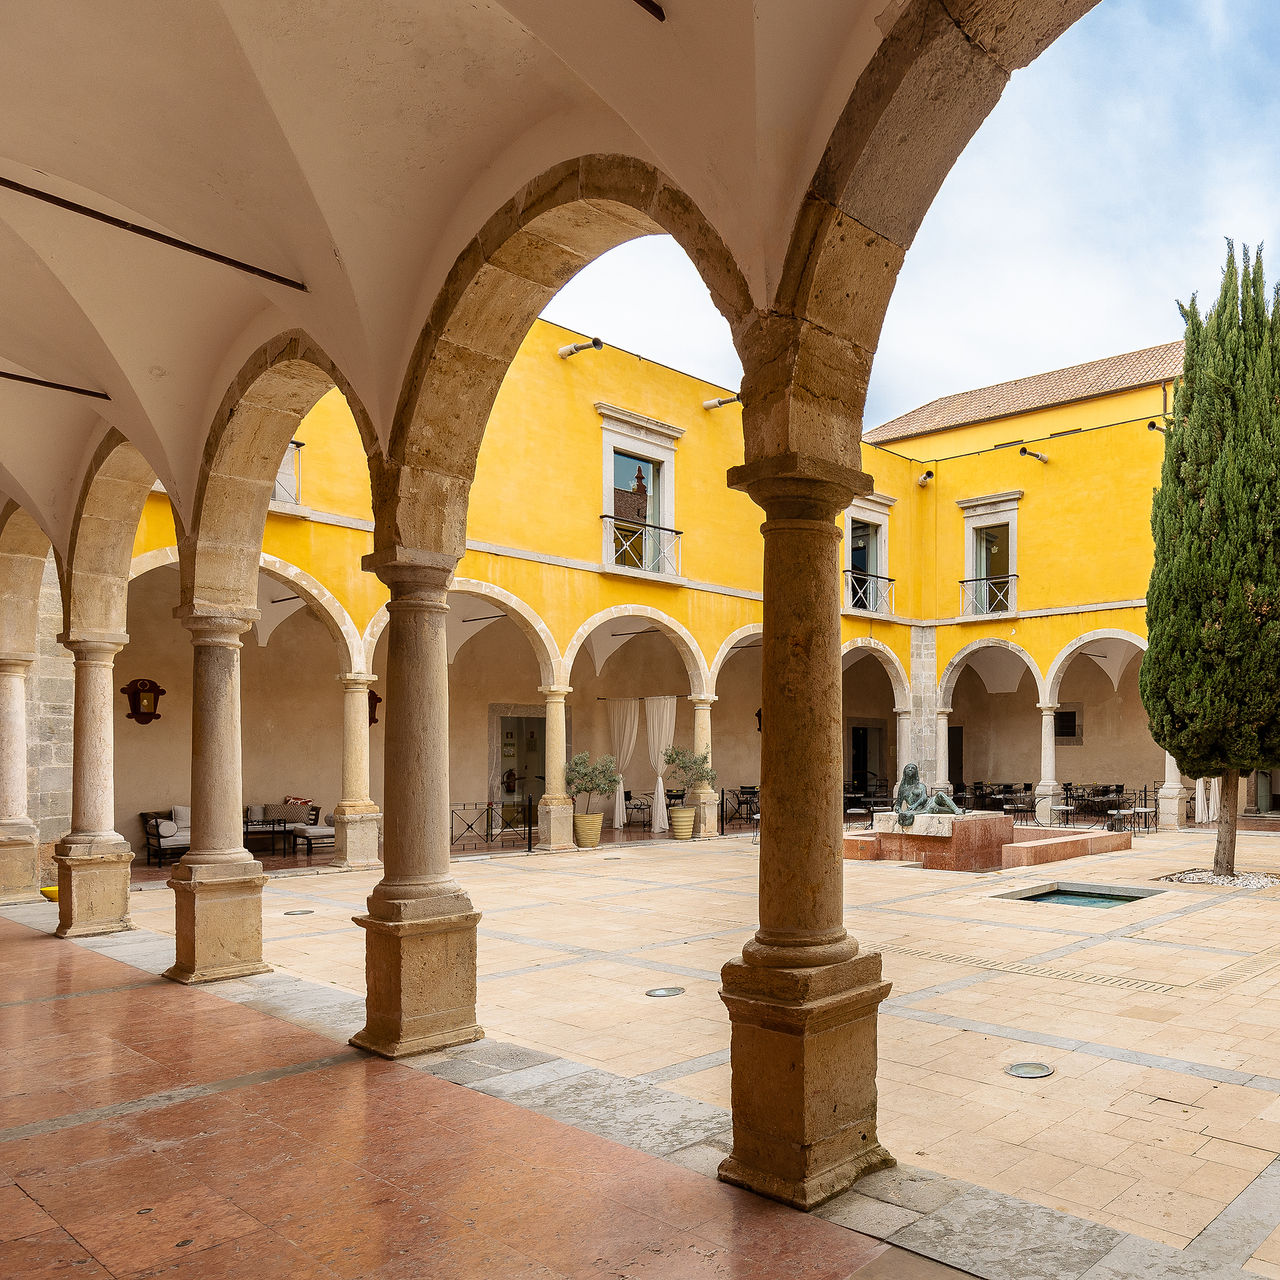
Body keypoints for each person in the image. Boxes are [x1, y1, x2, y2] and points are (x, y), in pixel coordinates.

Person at [895, 762, 963, 827]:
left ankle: (956, 809)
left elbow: (924, 798)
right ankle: (958, 811)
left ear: (916, 772)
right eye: (908, 768)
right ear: (904, 772)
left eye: (912, 768)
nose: (910, 769)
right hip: (921, 809)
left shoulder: (921, 786)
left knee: (940, 794)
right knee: (934, 809)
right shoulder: (902, 789)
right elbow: (898, 804)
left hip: (928, 802)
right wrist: (898, 809)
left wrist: (915, 805)